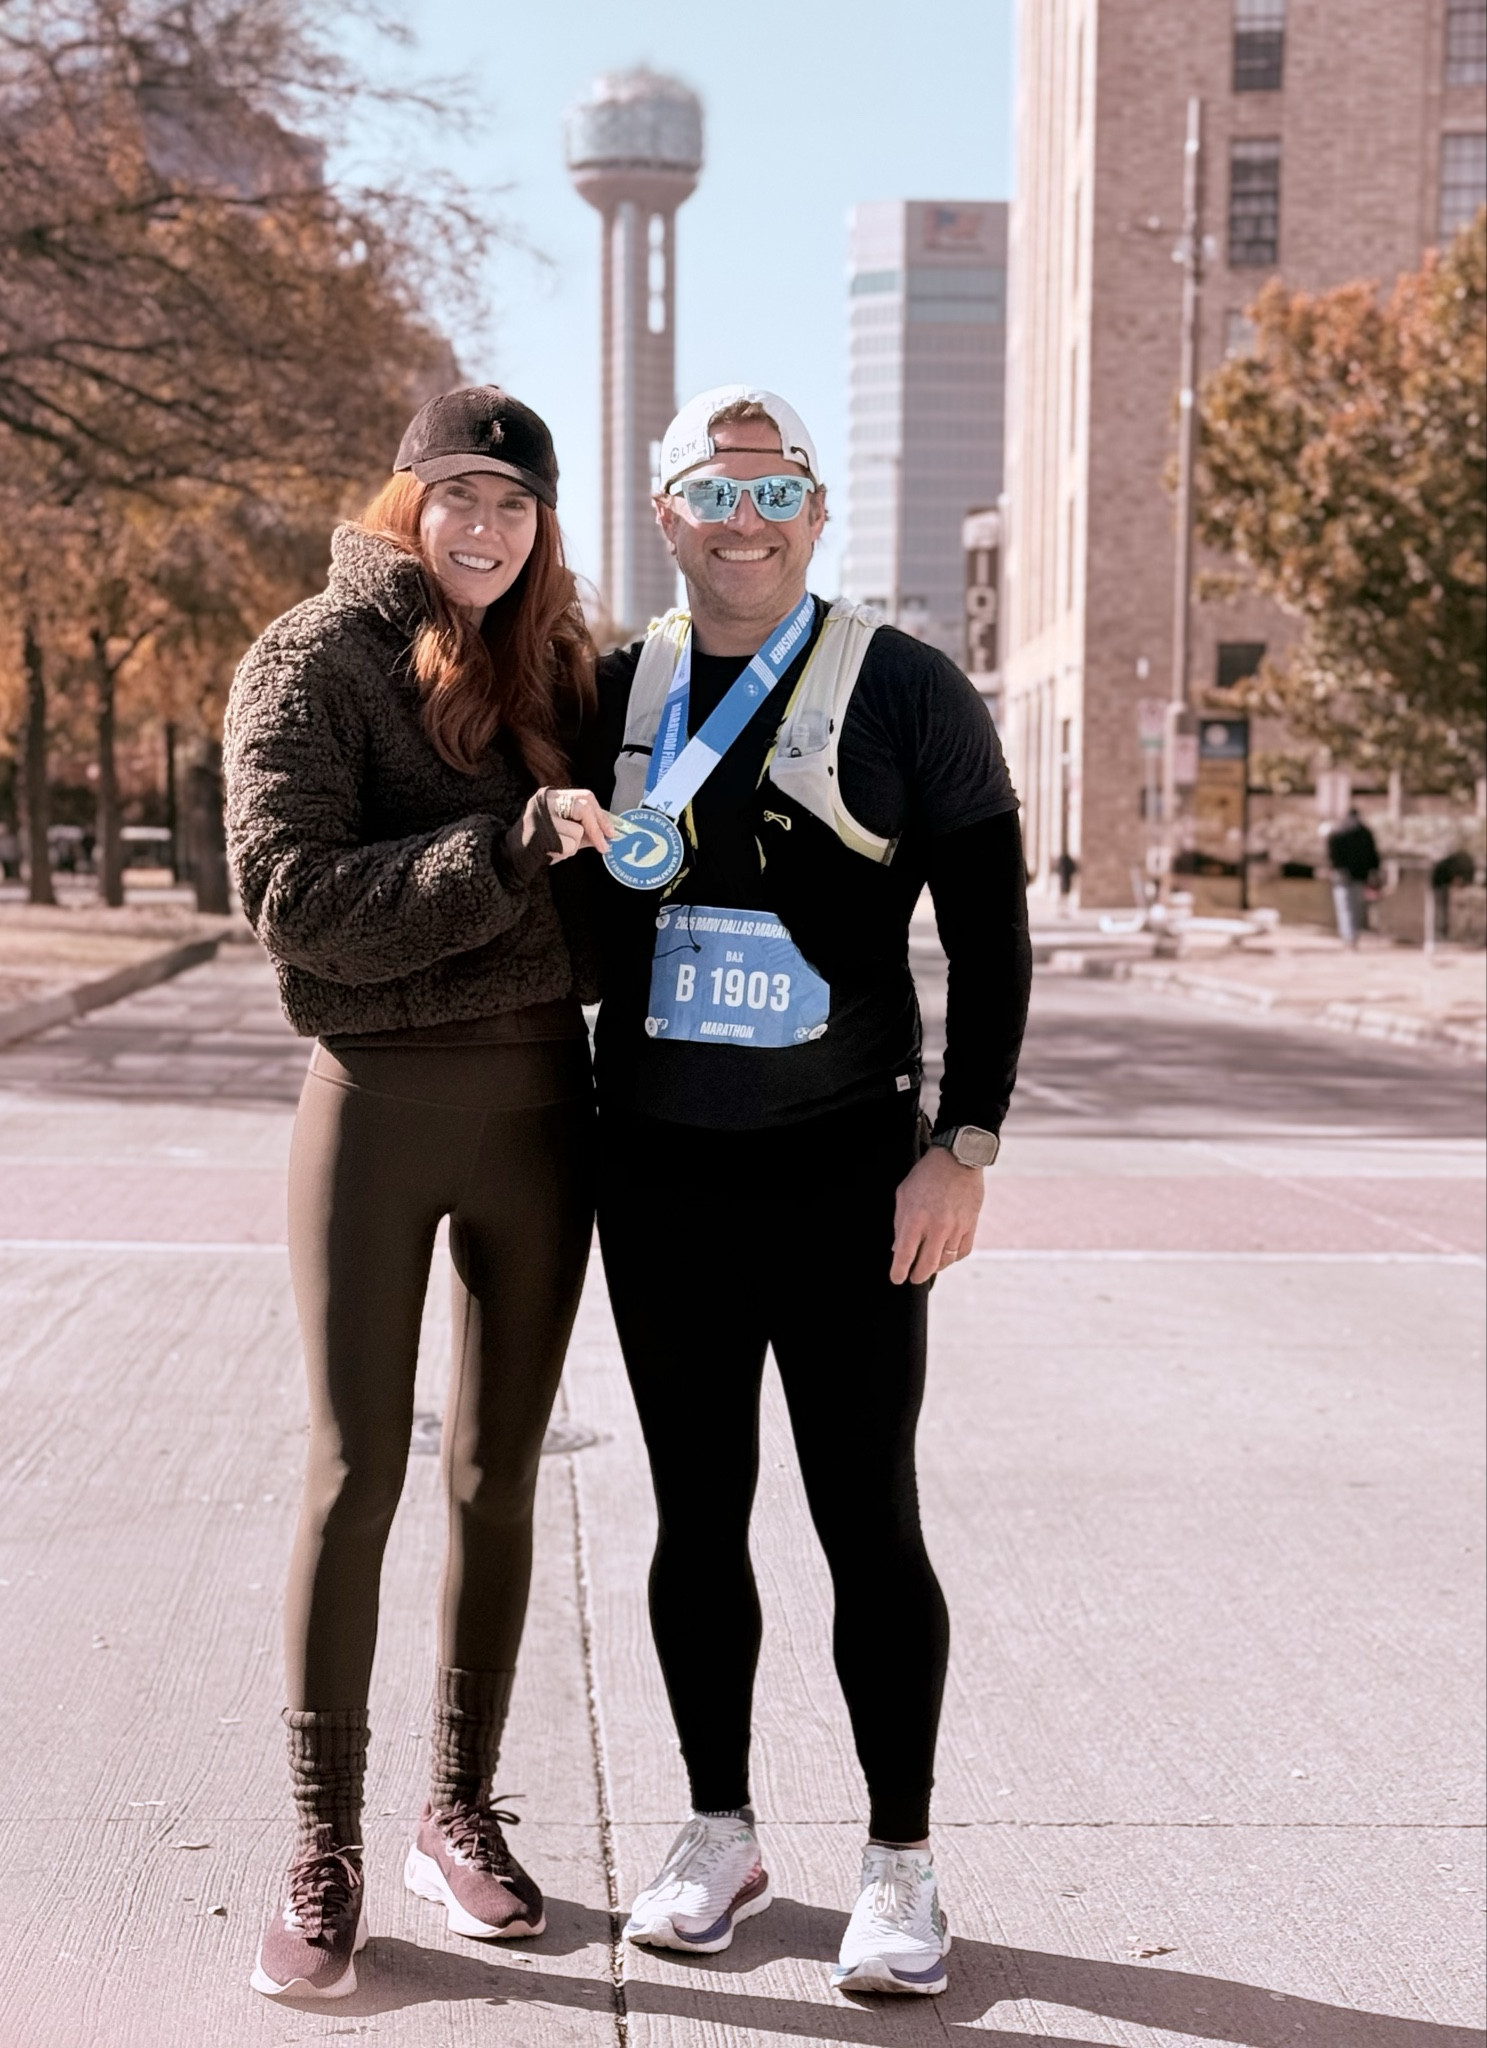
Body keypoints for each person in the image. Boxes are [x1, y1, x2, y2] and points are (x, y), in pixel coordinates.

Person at [574, 386, 1032, 1998]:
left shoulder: (906, 687)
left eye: (774, 492)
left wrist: (958, 1147)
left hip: (849, 1176)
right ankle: (717, 1833)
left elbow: (987, 937)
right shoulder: (603, 687)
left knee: (865, 1522)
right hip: (658, 1171)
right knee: (694, 1518)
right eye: (712, 489)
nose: (744, 518)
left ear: (816, 515)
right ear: (665, 515)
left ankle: (899, 1864)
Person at [224, 387, 613, 2000]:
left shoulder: (564, 671)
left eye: (512, 504)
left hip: (542, 1106)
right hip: (376, 1103)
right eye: (457, 494)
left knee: (499, 1476)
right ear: (402, 498)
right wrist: (509, 853)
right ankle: (320, 1839)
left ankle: (455, 1810)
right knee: (352, 1474)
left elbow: (621, 898)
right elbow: (294, 902)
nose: (484, 527)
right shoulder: (309, 656)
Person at [1324, 806, 1381, 946]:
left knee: (1345, 905)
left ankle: (1348, 935)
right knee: (1356, 906)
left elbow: (1331, 855)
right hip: (1360, 875)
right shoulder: (1365, 833)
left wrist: (1334, 868)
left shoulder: (1337, 832)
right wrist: (1373, 871)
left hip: (1342, 874)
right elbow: (1373, 855)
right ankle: (1353, 934)